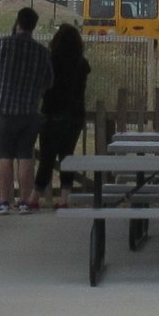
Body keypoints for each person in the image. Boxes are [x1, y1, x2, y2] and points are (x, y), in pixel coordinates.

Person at [0, 5, 56, 213]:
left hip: (1, 110)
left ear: (18, 22)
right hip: (29, 112)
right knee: (25, 156)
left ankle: (4, 201)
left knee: (4, 155)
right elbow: (49, 82)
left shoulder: (2, 44)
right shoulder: (41, 52)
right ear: (33, 26)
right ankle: (24, 202)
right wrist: (34, 93)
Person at [36, 22, 91, 208]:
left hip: (52, 112)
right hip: (75, 115)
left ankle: (34, 197)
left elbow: (43, 87)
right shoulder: (82, 64)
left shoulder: (51, 61)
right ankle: (65, 197)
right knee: (67, 155)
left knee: (47, 156)